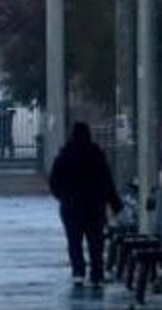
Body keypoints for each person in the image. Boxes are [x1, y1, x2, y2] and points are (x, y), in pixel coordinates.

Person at [48, 122, 123, 286]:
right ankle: (97, 274)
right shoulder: (96, 155)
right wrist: (115, 204)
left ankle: (78, 272)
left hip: (71, 206)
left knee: (74, 240)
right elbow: (107, 181)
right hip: (94, 205)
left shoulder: (64, 156)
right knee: (96, 241)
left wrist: (63, 196)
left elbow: (53, 182)